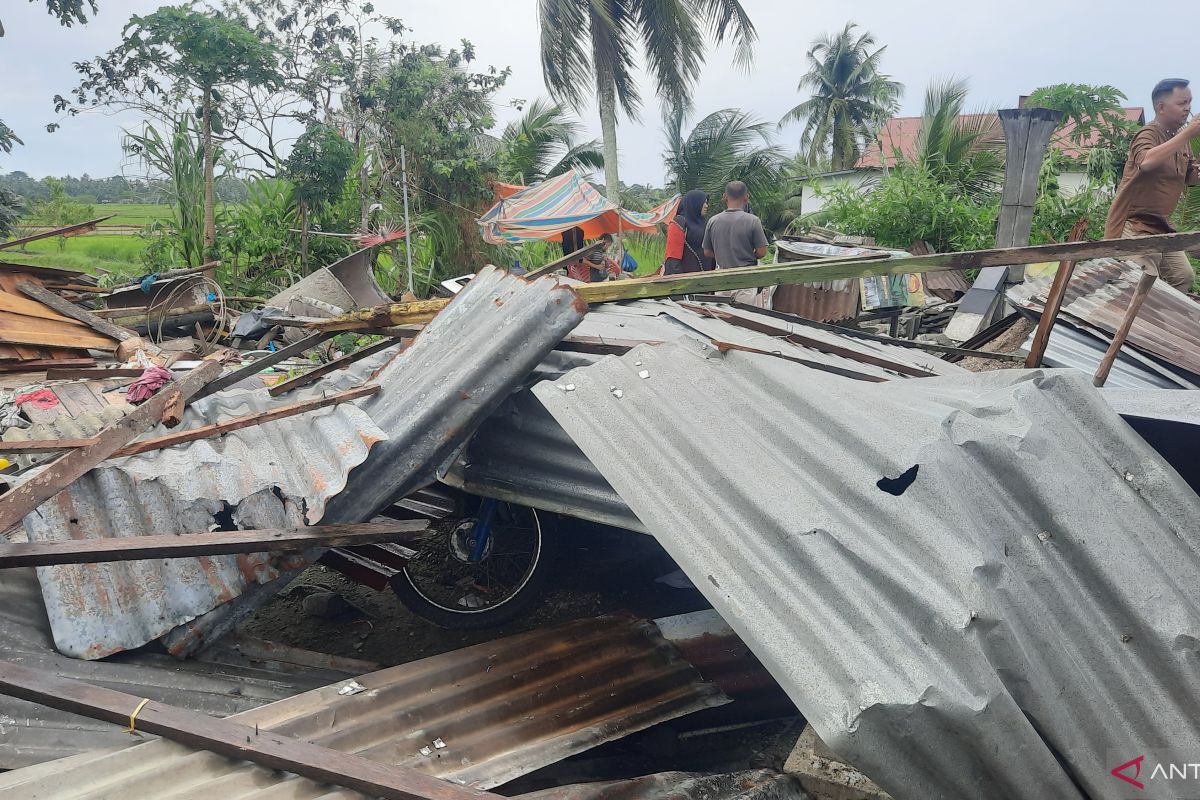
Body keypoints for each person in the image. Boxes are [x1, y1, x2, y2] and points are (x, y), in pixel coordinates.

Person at [1105, 78, 1200, 293]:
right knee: (1140, 278)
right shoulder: (1147, 134)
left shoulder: (1180, 140)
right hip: (1132, 225)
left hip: (1161, 227)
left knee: (1182, 277)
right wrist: (1188, 133)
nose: (1188, 108)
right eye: (1182, 103)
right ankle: (1128, 324)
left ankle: (1163, 324)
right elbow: (1146, 162)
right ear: (1161, 107)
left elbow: (1188, 177)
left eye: (1190, 102)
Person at [703, 181, 768, 269]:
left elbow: (707, 252)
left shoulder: (713, 221)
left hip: (722, 276)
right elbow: (762, 252)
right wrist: (746, 255)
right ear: (746, 197)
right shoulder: (753, 221)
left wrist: (724, 256)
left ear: (724, 197)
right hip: (747, 275)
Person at [663, 189, 715, 274]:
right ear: (694, 203)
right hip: (686, 279)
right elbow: (673, 257)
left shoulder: (704, 223)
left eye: (706, 203)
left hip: (706, 277)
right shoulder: (679, 223)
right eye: (704, 203)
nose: (706, 206)